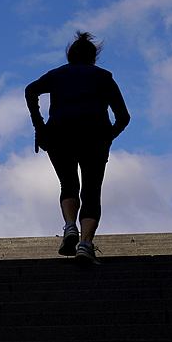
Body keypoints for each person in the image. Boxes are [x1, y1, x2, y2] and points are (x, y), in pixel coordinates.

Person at [24, 32, 130, 263]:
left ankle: (70, 226)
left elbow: (30, 90)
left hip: (59, 134)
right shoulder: (103, 77)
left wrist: (39, 126)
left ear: (70, 56)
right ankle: (85, 243)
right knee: (92, 190)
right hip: (94, 136)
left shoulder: (57, 75)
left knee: (68, 184)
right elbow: (123, 116)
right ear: (93, 57)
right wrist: (108, 136)